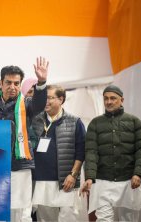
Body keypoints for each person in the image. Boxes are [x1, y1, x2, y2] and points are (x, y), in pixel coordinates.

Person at [0, 57, 49, 222]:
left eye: (16, 83)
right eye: (8, 82)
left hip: (19, 163)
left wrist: (42, 81)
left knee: (19, 209)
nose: (12, 87)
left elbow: (40, 104)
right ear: (1, 83)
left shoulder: (27, 104)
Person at [80, 85, 141, 221]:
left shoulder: (134, 122)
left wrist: (138, 174)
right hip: (102, 180)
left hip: (129, 179)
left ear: (121, 100)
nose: (109, 102)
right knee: (103, 219)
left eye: (113, 98)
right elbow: (91, 152)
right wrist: (89, 177)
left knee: (129, 219)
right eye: (106, 98)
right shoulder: (95, 123)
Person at [31, 85, 86, 221]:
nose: (46, 102)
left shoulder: (75, 122)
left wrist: (73, 175)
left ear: (61, 99)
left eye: (50, 98)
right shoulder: (36, 121)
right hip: (41, 181)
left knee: (68, 217)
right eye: (44, 98)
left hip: (66, 181)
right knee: (44, 218)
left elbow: (81, 151)